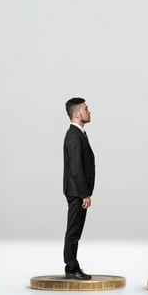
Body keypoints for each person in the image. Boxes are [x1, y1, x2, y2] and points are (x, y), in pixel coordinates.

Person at [62, 98, 95, 280]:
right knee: (73, 231)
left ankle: (72, 266)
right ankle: (71, 267)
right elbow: (76, 167)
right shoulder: (74, 135)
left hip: (77, 191)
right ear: (76, 113)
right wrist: (84, 194)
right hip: (76, 192)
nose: (89, 111)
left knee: (75, 231)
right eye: (85, 108)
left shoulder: (79, 134)